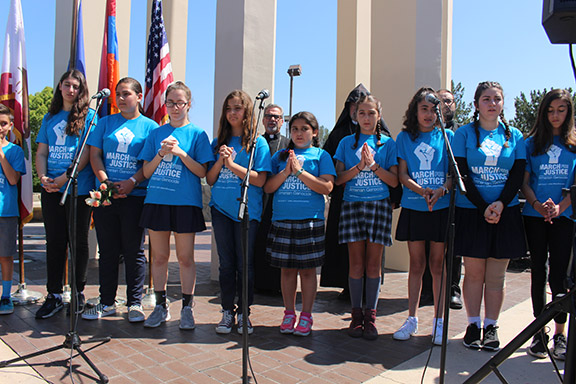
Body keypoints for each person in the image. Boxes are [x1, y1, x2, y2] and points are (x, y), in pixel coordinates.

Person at [453, 81, 526, 351]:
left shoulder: (514, 135)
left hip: (503, 212)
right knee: (474, 274)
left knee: (496, 277)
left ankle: (492, 326)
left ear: (503, 103)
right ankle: (473, 325)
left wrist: (499, 204)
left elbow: (517, 175)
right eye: (486, 99)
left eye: (497, 98)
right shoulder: (463, 134)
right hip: (472, 211)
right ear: (476, 104)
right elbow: (462, 174)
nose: (492, 103)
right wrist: (483, 205)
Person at [138, 81, 214, 329]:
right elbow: (146, 173)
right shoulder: (156, 133)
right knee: (159, 257)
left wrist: (181, 153)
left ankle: (187, 307)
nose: (174, 107)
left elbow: (202, 171)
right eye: (170, 102)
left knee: (185, 258)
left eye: (179, 102)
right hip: (158, 201)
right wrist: (160, 154)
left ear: (188, 105)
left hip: (185, 202)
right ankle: (160, 306)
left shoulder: (197, 134)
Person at [83, 77, 159, 322]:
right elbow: (95, 155)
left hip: (135, 196)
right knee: (107, 250)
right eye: (118, 94)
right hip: (105, 195)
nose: (121, 98)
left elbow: (149, 162)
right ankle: (107, 302)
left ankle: (134, 303)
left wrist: (132, 182)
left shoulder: (150, 127)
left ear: (139, 96)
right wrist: (105, 181)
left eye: (127, 93)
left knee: (133, 250)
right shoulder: (104, 123)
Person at [264, 111, 335, 336]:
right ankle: (288, 313)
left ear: (314, 132)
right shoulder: (280, 157)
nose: (299, 133)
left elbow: (327, 187)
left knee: (307, 271)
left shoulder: (321, 155)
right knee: (287, 271)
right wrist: (286, 171)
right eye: (294, 129)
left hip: (310, 221)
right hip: (283, 218)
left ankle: (306, 315)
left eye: (304, 128)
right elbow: (268, 187)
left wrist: (300, 172)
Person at [207, 90, 271, 335]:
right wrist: (219, 161)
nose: (232, 113)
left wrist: (232, 165)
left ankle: (244, 313)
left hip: (246, 212)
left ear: (246, 112)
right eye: (228, 109)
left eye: (237, 108)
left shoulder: (257, 142)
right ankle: (226, 312)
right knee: (226, 265)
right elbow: (210, 179)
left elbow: (261, 180)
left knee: (245, 265)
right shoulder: (218, 142)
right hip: (221, 210)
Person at [334, 94, 398, 340]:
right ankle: (356, 315)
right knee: (356, 264)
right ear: (355, 115)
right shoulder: (346, 143)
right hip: (353, 205)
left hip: (379, 206)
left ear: (378, 116)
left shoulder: (388, 144)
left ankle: (371, 316)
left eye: (372, 113)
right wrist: (359, 166)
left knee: (373, 265)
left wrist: (373, 166)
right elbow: (339, 180)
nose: (367, 118)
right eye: (362, 113)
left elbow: (393, 181)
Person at [393, 88, 452, 345]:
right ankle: (412, 319)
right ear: (414, 111)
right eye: (423, 109)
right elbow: (402, 175)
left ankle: (439, 322)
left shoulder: (448, 136)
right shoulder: (405, 138)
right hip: (415, 207)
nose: (428, 114)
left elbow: (453, 174)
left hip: (440, 208)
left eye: (432, 109)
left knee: (438, 265)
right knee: (416, 265)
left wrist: (441, 190)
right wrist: (422, 190)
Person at [35, 69, 96, 319]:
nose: (71, 90)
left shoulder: (90, 116)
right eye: (67, 85)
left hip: (77, 189)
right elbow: (41, 153)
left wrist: (65, 178)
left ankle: (78, 291)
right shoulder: (50, 118)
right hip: (52, 190)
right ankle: (54, 294)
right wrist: (43, 178)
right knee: (55, 242)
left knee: (78, 242)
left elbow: (85, 154)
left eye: (76, 86)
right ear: (60, 86)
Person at [320, 84, 391, 297]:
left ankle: (370, 298)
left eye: (371, 112)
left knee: (372, 259)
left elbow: (393, 174)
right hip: (346, 199)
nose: (363, 116)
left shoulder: (385, 139)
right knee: (350, 255)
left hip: (377, 202)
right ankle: (347, 286)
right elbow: (332, 169)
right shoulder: (340, 138)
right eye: (356, 108)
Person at [522, 89, 576, 360]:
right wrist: (537, 206)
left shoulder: (574, 145)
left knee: (559, 276)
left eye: (561, 110)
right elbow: (525, 182)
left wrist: (559, 208)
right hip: (535, 217)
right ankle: (538, 333)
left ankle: (559, 334)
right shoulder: (531, 144)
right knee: (538, 273)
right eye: (551, 110)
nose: (555, 115)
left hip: (564, 218)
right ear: (543, 112)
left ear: (568, 113)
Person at [420, 88, 463, 310]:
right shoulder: (425, 132)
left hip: (452, 200)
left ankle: (453, 289)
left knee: (452, 248)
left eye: (449, 101)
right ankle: (427, 290)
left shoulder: (456, 133)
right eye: (441, 101)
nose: (445, 104)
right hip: (428, 198)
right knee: (428, 250)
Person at [254, 104, 289, 293]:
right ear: (263, 120)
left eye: (276, 117)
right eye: (268, 116)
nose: (272, 119)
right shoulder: (255, 143)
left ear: (282, 121)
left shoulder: (288, 144)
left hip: (280, 203)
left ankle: (276, 286)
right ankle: (259, 284)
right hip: (258, 201)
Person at [0, 105, 26, 315]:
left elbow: (12, 179)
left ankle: (6, 296)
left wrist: (0, 153)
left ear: (10, 126)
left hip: (6, 212)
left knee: (5, 255)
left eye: (3, 124)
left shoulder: (14, 151)